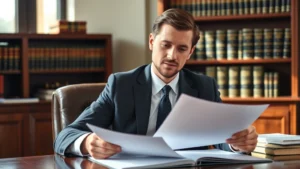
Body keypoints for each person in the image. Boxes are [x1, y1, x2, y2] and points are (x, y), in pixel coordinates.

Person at [54, 8, 258, 159]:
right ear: (152, 42)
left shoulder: (204, 87)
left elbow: (220, 137)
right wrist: (88, 143)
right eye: (166, 45)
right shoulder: (121, 85)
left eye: (181, 48)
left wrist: (237, 143)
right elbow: (66, 135)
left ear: (190, 52)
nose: (172, 55)